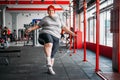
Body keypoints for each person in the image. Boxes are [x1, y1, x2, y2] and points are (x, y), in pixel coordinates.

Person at [26, 5, 76, 75]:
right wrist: (30, 29)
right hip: (45, 33)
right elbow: (38, 26)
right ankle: (47, 60)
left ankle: (50, 68)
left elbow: (64, 28)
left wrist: (72, 33)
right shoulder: (45, 18)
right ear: (47, 12)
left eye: (52, 10)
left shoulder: (59, 19)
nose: (50, 12)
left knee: (53, 54)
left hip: (56, 36)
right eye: (49, 11)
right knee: (49, 43)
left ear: (54, 11)